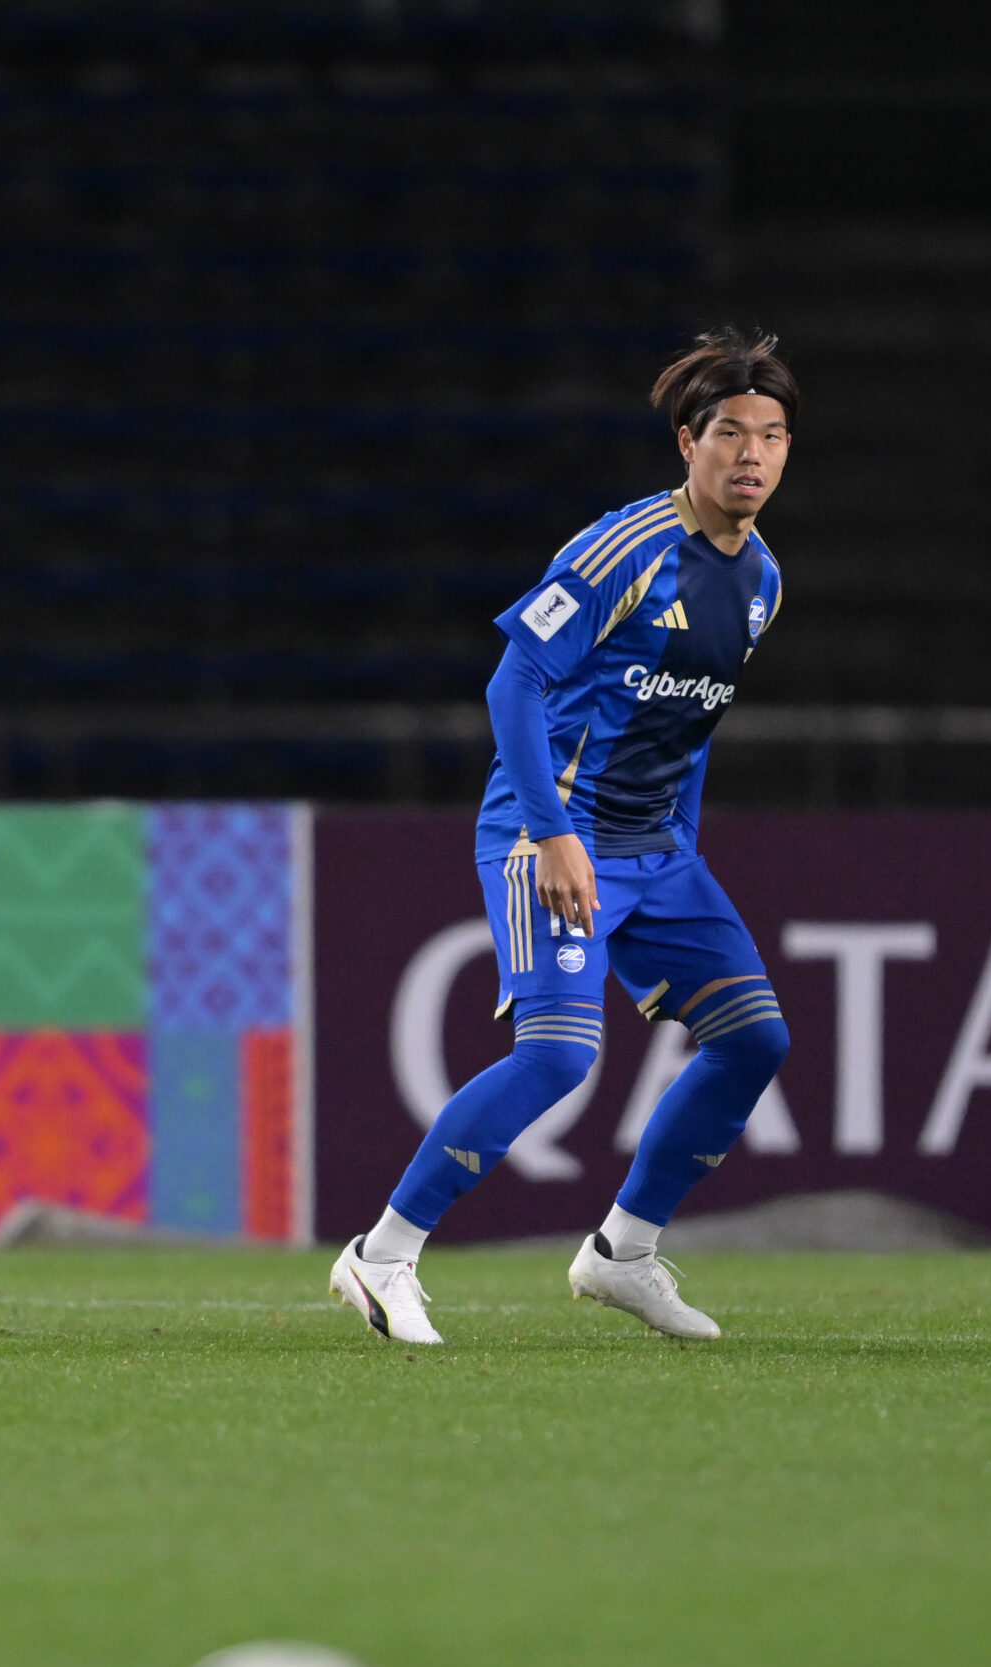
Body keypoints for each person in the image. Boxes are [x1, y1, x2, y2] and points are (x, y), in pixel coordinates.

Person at [330, 329, 797, 1347]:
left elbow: (690, 727)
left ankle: (622, 1254)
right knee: (556, 1056)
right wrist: (551, 835)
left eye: (771, 436)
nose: (752, 454)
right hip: (551, 831)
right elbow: (514, 684)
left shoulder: (761, 580)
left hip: (656, 850)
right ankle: (380, 1254)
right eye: (730, 433)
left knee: (754, 1038)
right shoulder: (624, 549)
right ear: (689, 443)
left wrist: (680, 846)